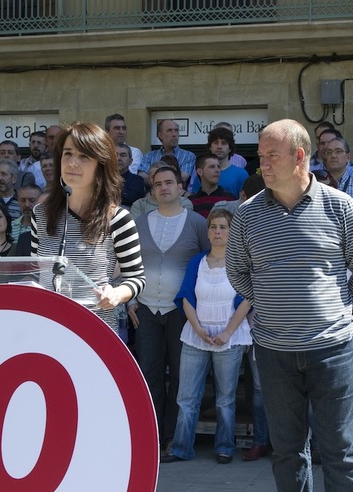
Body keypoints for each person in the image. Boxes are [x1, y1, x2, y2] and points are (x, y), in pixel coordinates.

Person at [226, 119, 353, 492]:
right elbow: (239, 274)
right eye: (259, 155)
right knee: (288, 450)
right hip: (272, 352)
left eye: (270, 155)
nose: (261, 164)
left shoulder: (341, 208)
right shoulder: (249, 215)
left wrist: (339, 315)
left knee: (340, 452)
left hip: (331, 352)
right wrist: (275, 311)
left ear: (300, 157)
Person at [31, 121, 145, 330]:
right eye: (67, 154)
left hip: (94, 331)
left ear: (100, 165)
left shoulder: (118, 218)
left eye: (84, 156)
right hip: (46, 328)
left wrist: (116, 294)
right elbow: (33, 271)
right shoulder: (40, 214)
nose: (72, 163)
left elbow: (136, 278)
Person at [130, 165, 209, 451]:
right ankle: (151, 437)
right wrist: (130, 300)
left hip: (182, 313)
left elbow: (209, 262)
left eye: (168, 183)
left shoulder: (198, 223)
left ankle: (174, 439)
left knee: (180, 376)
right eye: (157, 184)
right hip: (146, 311)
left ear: (180, 187)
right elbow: (128, 265)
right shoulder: (138, 223)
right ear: (152, 190)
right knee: (149, 375)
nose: (163, 188)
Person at [164, 209, 252, 464]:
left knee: (226, 398)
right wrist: (199, 329)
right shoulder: (197, 262)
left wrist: (227, 332)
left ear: (232, 231)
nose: (217, 232)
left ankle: (224, 446)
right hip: (196, 335)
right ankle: (181, 448)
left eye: (223, 227)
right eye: (213, 227)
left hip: (230, 337)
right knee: (186, 397)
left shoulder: (240, 263)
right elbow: (186, 296)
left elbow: (247, 300)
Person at [322, 137, 353, 216]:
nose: (333, 155)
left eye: (338, 151)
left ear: (348, 157)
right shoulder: (318, 182)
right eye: (329, 152)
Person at [139, 119, 195, 185]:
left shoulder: (188, 156)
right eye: (169, 130)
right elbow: (142, 177)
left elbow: (182, 178)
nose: (174, 134)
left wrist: (154, 178)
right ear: (160, 135)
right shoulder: (149, 156)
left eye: (176, 130)